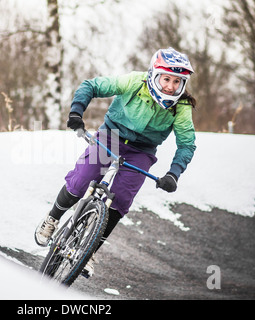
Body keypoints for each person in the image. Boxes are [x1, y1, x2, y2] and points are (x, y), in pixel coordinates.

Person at [35, 47, 197, 278]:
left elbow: (187, 144)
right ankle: (52, 218)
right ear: (154, 75)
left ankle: (89, 249)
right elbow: (91, 85)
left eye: (177, 81)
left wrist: (174, 174)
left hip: (142, 151)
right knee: (82, 179)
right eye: (166, 79)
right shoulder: (134, 81)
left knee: (121, 199)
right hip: (110, 136)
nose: (171, 86)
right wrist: (76, 112)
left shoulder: (181, 107)